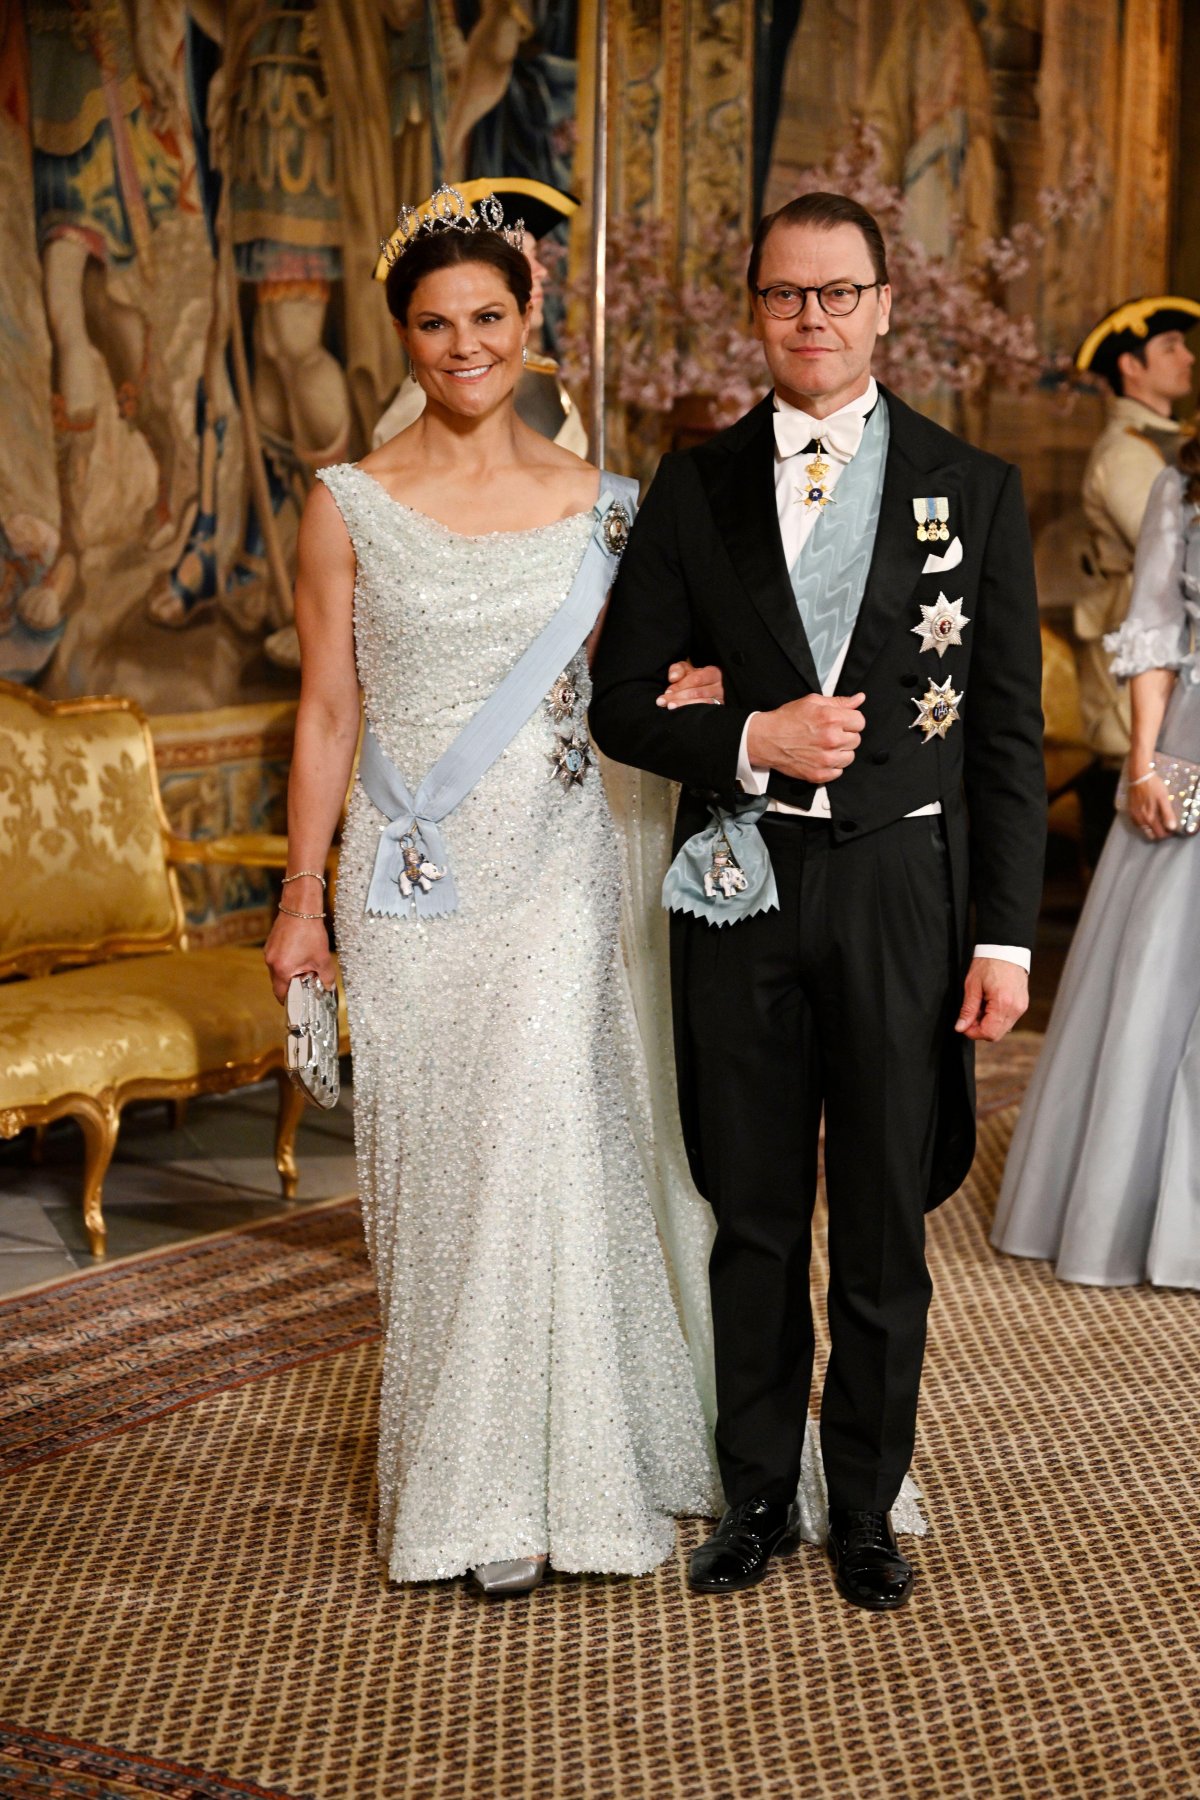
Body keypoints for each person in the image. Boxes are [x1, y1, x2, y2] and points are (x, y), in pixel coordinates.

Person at [262, 185, 727, 1596]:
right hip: (404, 889)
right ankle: (472, 1463)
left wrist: (700, 689)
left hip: (553, 869)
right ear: (402, 338)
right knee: (434, 1173)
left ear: (533, 329)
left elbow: (644, 695)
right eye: (433, 324)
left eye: (489, 319)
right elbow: (328, 714)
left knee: (537, 1125)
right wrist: (299, 903)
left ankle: (532, 1488)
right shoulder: (346, 504)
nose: (463, 346)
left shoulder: (612, 510)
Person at [590, 190, 1045, 1611]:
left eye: (840, 293)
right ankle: (755, 1498)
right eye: (789, 295)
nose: (815, 318)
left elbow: (1010, 739)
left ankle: (865, 1507)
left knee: (887, 1222)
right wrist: (749, 738)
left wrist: (1008, 935)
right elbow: (616, 703)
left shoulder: (972, 489)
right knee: (755, 1207)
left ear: (885, 306)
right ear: (756, 310)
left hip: (906, 888)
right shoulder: (693, 485)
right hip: (744, 883)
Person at [992, 438, 1200, 1291]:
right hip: (1193, 747)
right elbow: (1153, 634)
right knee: (1160, 979)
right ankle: (1142, 1216)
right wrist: (1144, 762)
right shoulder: (1179, 487)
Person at [1070, 296, 1200, 864]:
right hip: (1145, 645)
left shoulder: (1168, 441)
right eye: (1169, 347)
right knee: (1137, 815)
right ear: (1131, 365)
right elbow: (1165, 570)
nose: (1189, 358)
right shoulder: (1130, 453)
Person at [373, 178, 585, 455]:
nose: (540, 272)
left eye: (487, 318)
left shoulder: (540, 375)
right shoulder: (433, 395)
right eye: (435, 324)